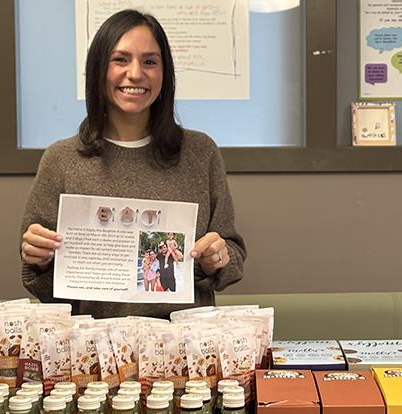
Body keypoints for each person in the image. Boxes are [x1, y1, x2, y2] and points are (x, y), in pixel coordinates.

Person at [19, 9, 244, 318]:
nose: (136, 73)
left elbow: (233, 255)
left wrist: (217, 257)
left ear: (165, 74)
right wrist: (39, 258)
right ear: (99, 69)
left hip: (185, 350)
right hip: (95, 353)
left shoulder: (200, 152)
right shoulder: (62, 159)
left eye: (150, 62)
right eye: (120, 60)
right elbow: (38, 281)